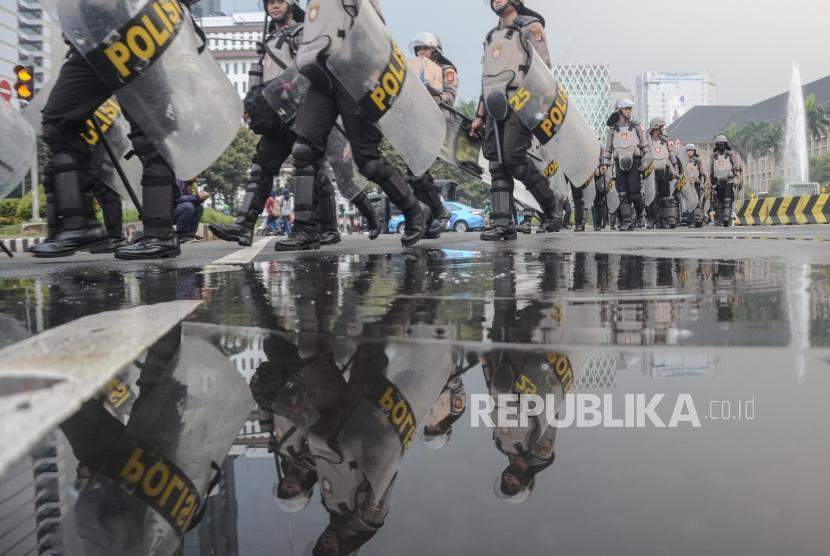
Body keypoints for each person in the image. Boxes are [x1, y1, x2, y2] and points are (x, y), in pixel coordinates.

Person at [29, 1, 224, 260]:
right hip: (89, 41)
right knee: (57, 123)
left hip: (135, 31)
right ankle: (79, 224)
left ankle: (159, 234)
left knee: (149, 136)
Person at [278, 0, 432, 251]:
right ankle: (305, 229)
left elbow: (376, 30)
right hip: (321, 78)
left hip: (355, 76)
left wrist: (372, 76)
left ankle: (414, 210)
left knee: (367, 161)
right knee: (303, 150)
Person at [471, 0, 559, 241]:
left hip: (520, 101)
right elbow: (486, 77)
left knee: (513, 158)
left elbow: (543, 67)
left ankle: (551, 207)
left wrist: (540, 105)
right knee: (497, 163)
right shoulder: (491, 36)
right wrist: (479, 115)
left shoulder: (531, 27)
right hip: (492, 106)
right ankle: (502, 224)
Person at [406, 32, 456, 238]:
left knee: (418, 172)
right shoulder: (413, 71)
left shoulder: (446, 70)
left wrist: (432, 94)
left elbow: (450, 97)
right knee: (414, 174)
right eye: (418, 49)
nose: (420, 53)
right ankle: (426, 219)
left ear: (435, 51)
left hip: (437, 123)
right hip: (416, 124)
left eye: (424, 48)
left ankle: (440, 212)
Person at [602, 99, 649, 231]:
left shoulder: (636, 126)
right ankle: (627, 221)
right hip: (618, 162)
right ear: (620, 111)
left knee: (634, 192)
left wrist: (645, 162)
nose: (629, 111)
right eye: (627, 109)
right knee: (622, 193)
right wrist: (605, 163)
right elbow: (608, 148)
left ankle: (640, 215)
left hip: (635, 161)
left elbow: (645, 146)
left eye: (630, 109)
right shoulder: (612, 129)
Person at [647, 118, 681, 229]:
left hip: (664, 170)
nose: (662, 129)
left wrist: (675, 167)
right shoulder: (646, 141)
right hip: (651, 171)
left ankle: (664, 221)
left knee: (665, 197)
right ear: (656, 127)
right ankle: (653, 220)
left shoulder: (665, 141)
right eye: (661, 126)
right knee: (653, 197)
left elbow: (671, 154)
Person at [709, 135, 743, 227]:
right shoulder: (713, 156)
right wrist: (709, 181)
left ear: (726, 144)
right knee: (719, 201)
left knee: (728, 198)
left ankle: (726, 218)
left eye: (723, 143)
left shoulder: (731, 154)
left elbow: (736, 165)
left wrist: (739, 176)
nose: (721, 144)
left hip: (729, 180)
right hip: (717, 181)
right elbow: (711, 169)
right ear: (717, 144)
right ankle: (720, 219)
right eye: (719, 143)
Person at [174, 178, 207, 243]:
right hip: (168, 211)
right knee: (188, 206)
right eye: (197, 175)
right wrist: (196, 197)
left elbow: (191, 198)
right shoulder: (178, 181)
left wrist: (200, 198)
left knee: (198, 208)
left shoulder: (190, 184)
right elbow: (177, 198)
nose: (198, 178)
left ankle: (190, 235)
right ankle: (181, 236)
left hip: (178, 209)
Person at [684, 143, 708, 228]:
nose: (690, 152)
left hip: (696, 183)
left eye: (692, 150)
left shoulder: (698, 160)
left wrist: (702, 183)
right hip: (686, 184)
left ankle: (698, 220)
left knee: (697, 202)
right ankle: (690, 221)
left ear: (694, 151)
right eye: (688, 150)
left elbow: (702, 173)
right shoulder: (683, 160)